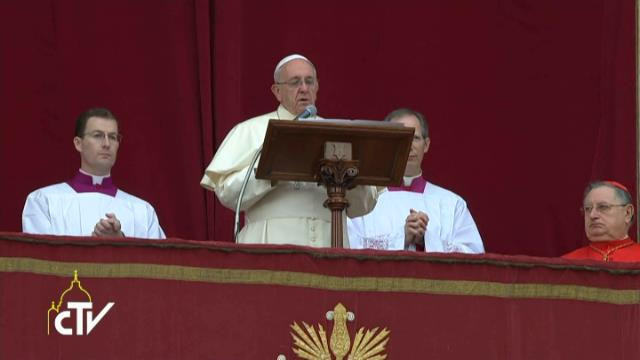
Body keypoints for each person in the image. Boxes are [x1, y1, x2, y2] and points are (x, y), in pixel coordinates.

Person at [200, 54, 379, 247]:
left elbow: (364, 205)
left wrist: (351, 180)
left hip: (330, 245)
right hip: (269, 247)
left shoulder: (339, 134)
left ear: (317, 87)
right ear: (277, 91)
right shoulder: (251, 130)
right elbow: (228, 194)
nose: (304, 88)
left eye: (309, 81)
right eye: (295, 82)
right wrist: (272, 169)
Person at [347, 108, 484, 253]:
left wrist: (427, 239)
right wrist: (401, 238)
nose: (409, 146)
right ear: (387, 145)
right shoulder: (362, 201)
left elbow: (474, 256)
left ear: (426, 145)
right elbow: (348, 248)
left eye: (415, 138)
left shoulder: (452, 204)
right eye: (401, 138)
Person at [22, 107, 165, 239]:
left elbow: (157, 263)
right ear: (78, 143)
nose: (107, 144)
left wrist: (120, 242)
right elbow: (41, 262)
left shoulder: (142, 211)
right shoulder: (44, 201)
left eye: (113, 137)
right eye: (98, 135)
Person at [562, 181, 640, 262]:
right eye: (588, 208)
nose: (592, 215)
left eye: (603, 207)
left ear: (627, 213)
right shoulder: (566, 264)